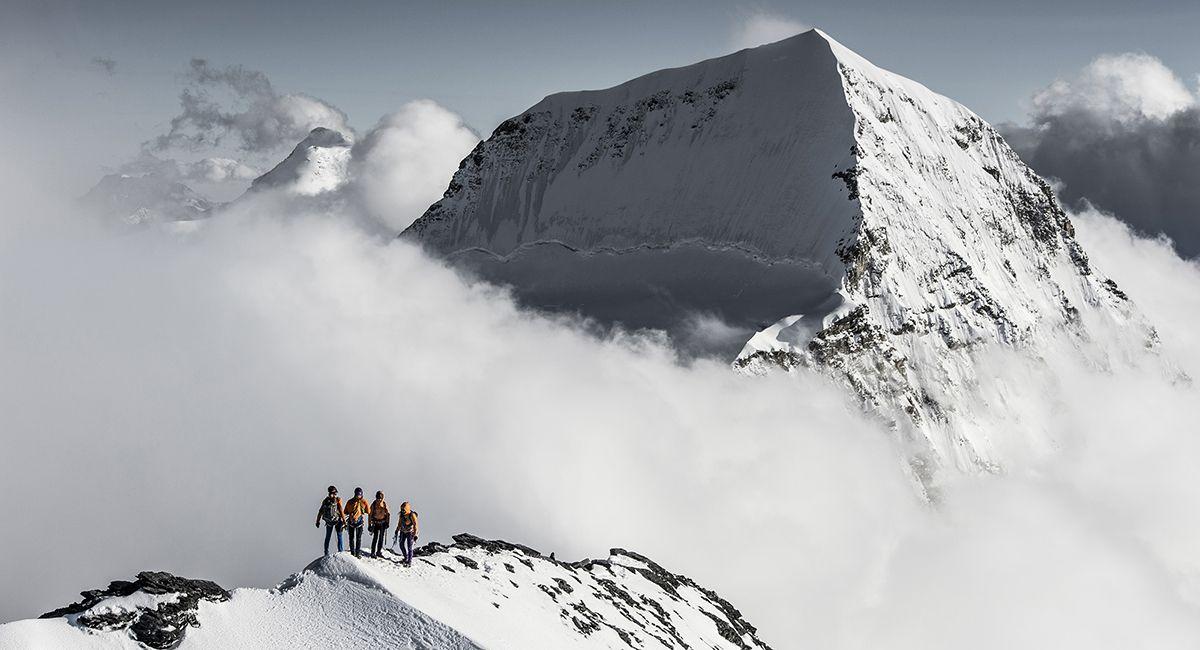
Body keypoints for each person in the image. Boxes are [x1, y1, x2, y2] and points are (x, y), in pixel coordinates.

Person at [315, 485, 345, 556]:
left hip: (329, 522)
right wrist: (344, 520)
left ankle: (326, 552)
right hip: (337, 520)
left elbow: (320, 511)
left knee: (328, 537)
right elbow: (341, 510)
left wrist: (317, 521)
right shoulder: (338, 500)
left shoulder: (325, 501)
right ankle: (341, 551)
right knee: (339, 536)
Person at [343, 487, 371, 558]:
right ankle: (356, 554)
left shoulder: (350, 501)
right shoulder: (364, 502)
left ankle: (353, 553)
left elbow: (345, 511)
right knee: (357, 538)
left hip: (351, 522)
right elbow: (368, 511)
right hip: (359, 523)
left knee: (352, 538)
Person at [394, 501, 419, 566]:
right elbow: (399, 523)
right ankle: (406, 557)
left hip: (410, 532)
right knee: (401, 545)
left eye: (404, 510)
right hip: (403, 531)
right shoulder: (401, 515)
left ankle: (409, 561)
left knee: (409, 547)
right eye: (402, 510)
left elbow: (416, 525)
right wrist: (397, 530)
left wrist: (415, 535)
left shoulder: (412, 515)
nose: (402, 511)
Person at [368, 491, 390, 558]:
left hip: (382, 523)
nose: (379, 499)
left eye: (380, 498)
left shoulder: (385, 504)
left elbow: (388, 514)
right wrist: (369, 525)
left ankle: (378, 552)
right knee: (375, 538)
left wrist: (387, 522)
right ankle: (373, 552)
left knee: (381, 538)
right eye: (378, 498)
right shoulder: (373, 504)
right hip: (376, 523)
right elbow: (370, 515)